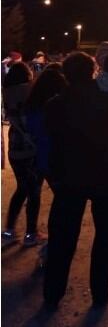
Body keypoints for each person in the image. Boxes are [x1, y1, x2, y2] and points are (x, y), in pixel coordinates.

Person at [43, 52, 108, 310]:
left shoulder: (55, 105)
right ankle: (100, 292)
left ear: (66, 75)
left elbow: (50, 133)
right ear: (93, 72)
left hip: (69, 179)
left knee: (62, 237)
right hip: (106, 177)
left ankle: (53, 292)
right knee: (105, 236)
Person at [1, 62, 46, 247]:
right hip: (31, 149)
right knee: (34, 192)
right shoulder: (31, 92)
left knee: (21, 189)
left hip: (15, 147)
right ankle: (30, 234)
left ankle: (9, 229)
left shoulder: (7, 92)